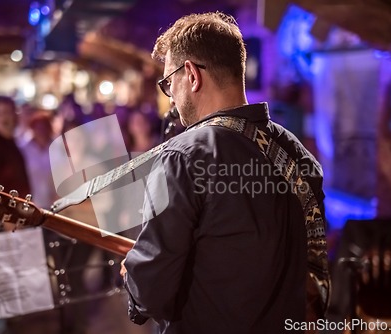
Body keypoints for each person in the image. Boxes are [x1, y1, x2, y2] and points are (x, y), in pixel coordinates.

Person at [120, 12, 328, 333]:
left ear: (191, 74)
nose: (171, 98)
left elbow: (151, 291)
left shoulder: (183, 155)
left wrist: (132, 276)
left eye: (168, 83)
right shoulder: (297, 154)